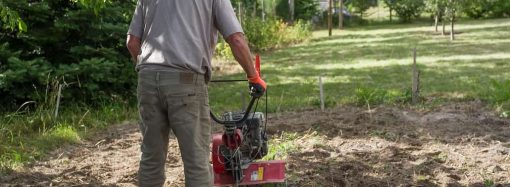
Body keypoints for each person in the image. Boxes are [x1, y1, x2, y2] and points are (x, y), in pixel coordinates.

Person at [126, 0, 266, 186]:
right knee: (196, 161)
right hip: (186, 81)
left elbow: (132, 42)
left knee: (151, 159)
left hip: (147, 80)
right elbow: (236, 39)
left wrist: (152, 73)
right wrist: (254, 77)